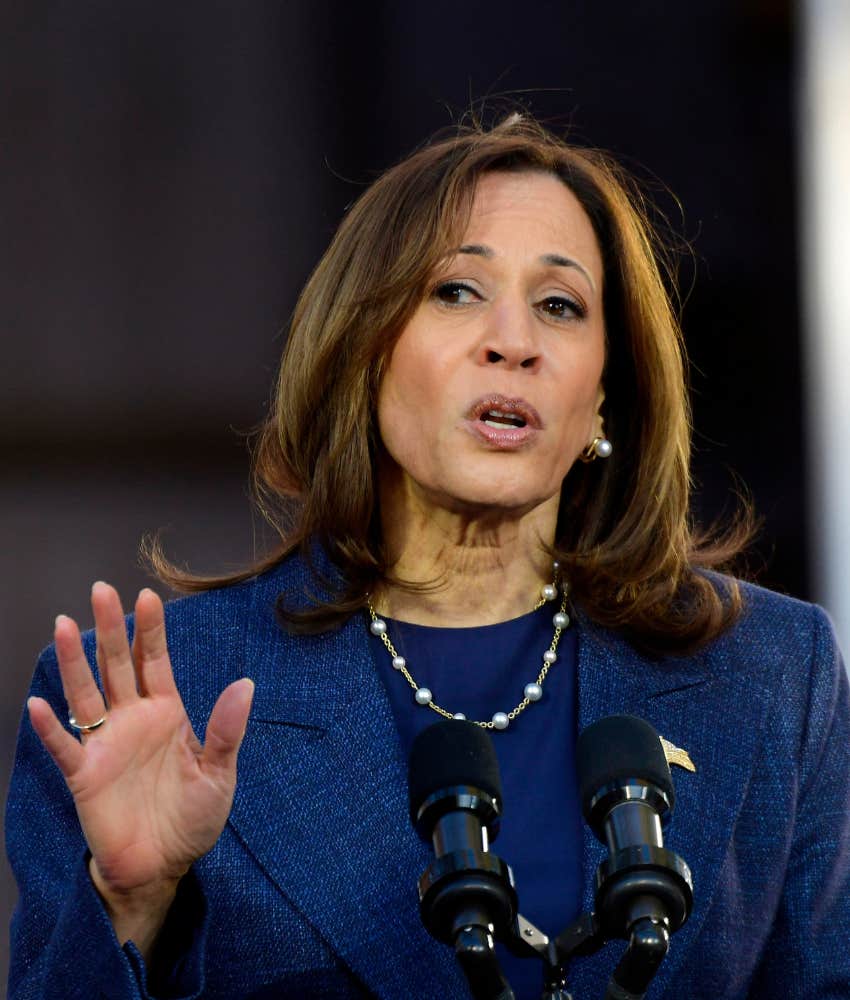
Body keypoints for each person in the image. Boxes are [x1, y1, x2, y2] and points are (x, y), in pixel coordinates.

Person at [6, 116, 850, 1000]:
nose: (513, 341)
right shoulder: (170, 697)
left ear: (604, 393)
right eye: (456, 291)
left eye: (560, 306)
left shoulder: (770, 678)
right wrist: (132, 904)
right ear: (364, 350)